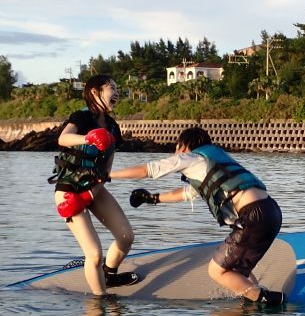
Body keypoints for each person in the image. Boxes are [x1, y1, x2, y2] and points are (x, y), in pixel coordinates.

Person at [109, 126, 286, 305]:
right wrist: (152, 198)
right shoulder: (212, 162)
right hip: (271, 211)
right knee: (235, 270)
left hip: (253, 216)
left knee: (216, 271)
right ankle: (255, 300)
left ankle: (268, 300)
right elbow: (186, 193)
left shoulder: (192, 158)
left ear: (183, 146)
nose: (176, 153)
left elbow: (150, 169)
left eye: (177, 148)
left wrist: (108, 175)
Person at [48, 74, 138, 296]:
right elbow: (64, 139)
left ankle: (109, 274)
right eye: (112, 88)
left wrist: (90, 193)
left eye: (117, 88)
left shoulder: (113, 127)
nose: (116, 92)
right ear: (95, 92)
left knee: (126, 236)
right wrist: (89, 138)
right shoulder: (81, 117)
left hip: (94, 189)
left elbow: (106, 170)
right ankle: (100, 302)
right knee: (94, 253)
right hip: (69, 191)